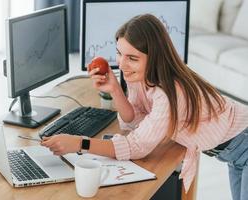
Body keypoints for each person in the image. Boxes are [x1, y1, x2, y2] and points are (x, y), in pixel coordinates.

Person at [41, 14, 248, 199]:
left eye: (132, 58)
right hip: (234, 154)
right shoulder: (142, 76)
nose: (121, 64)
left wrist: (80, 144)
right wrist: (115, 89)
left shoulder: (170, 94)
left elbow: (136, 147)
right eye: (120, 53)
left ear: (155, 57)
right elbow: (135, 119)